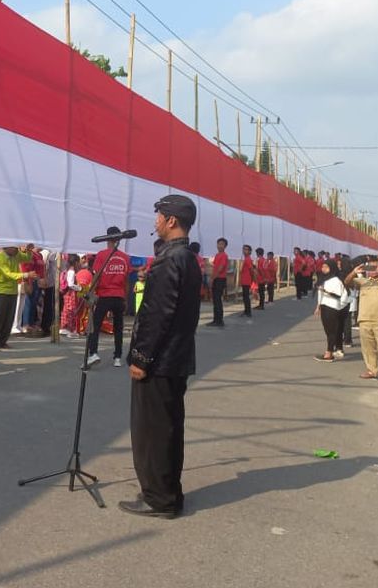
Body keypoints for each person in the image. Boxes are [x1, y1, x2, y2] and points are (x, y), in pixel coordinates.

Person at [120, 195, 201, 519]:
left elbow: (157, 316)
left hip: (161, 362)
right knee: (166, 429)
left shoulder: (172, 260)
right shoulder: (185, 257)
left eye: (159, 216)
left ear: (171, 221)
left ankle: (159, 498)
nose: (155, 221)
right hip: (175, 358)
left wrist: (141, 358)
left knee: (152, 432)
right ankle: (167, 492)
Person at [345, 256, 378, 384]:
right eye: (370, 267)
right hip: (364, 319)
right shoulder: (363, 281)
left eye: (375, 267)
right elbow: (347, 282)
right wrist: (354, 271)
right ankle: (371, 370)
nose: (372, 270)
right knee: (368, 348)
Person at [88, 227, 132, 369]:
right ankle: (118, 357)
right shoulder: (125, 257)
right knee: (118, 327)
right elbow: (126, 280)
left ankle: (93, 353)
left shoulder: (101, 255)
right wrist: (125, 298)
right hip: (119, 296)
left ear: (106, 238)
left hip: (105, 295)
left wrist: (91, 292)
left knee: (95, 325)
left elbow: (97, 275)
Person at [0, 246, 32, 349]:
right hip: (2, 291)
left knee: (9, 318)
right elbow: (8, 274)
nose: (16, 250)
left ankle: (2, 342)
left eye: (16, 248)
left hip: (13, 291)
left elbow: (27, 258)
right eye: (14, 248)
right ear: (7, 247)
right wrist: (26, 275)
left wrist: (29, 251)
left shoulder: (16, 254)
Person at [313, 259, 347, 362]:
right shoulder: (324, 279)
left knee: (331, 330)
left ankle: (329, 353)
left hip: (332, 307)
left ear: (331, 268)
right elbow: (320, 294)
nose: (323, 269)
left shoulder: (336, 280)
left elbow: (338, 295)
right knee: (328, 330)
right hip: (324, 305)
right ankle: (330, 350)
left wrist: (325, 291)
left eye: (326, 267)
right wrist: (318, 306)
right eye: (323, 267)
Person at [59, 253, 83, 338]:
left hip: (69, 293)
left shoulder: (69, 270)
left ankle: (65, 328)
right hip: (71, 294)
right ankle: (70, 329)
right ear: (76, 262)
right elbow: (70, 284)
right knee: (71, 310)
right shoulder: (72, 271)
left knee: (67, 310)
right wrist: (79, 288)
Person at [207, 239, 229, 328]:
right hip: (216, 278)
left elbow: (220, 268)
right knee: (215, 301)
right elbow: (215, 267)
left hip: (220, 279)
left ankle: (219, 320)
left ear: (225, 246)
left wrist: (212, 278)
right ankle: (216, 320)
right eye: (218, 244)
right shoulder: (217, 255)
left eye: (222, 244)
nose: (220, 246)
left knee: (218, 300)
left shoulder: (224, 255)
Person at [238, 245, 255, 318]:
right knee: (245, 296)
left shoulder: (247, 259)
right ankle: (246, 311)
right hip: (245, 280)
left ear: (250, 251)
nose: (245, 251)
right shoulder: (246, 259)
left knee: (246, 297)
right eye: (244, 249)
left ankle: (248, 312)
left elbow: (251, 269)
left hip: (246, 280)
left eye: (246, 250)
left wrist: (252, 278)